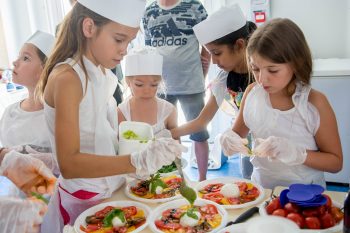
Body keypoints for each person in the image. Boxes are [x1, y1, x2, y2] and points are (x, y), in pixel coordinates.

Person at [35, 1, 186, 232]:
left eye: (129, 41)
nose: (124, 49)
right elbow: (69, 164)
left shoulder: (103, 73)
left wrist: (147, 150)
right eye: (119, 39)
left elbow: (103, 138)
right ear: (89, 28)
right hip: (84, 197)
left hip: (112, 188)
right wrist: (137, 161)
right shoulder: (68, 78)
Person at [220, 18, 343, 189]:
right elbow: (237, 135)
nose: (262, 79)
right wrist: (227, 139)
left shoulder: (314, 103)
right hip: (261, 190)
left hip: (305, 195)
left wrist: (297, 154)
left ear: (296, 63)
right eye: (255, 69)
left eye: (273, 70)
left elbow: (336, 163)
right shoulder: (252, 93)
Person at [171, 4, 256, 178]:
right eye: (211, 54)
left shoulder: (263, 74)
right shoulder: (224, 79)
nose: (214, 61)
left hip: (272, 143)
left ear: (239, 45)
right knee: (250, 179)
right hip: (243, 142)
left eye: (217, 53)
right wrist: (165, 134)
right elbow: (201, 121)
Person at [143, 0, 211, 181]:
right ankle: (178, 177)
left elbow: (208, 42)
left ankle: (202, 179)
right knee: (168, 135)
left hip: (191, 83)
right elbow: (147, 50)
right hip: (161, 86)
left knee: (199, 134)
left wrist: (204, 68)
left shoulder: (194, 6)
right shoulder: (149, 11)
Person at [118, 46, 177, 138]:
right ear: (128, 82)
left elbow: (176, 144)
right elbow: (119, 145)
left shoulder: (168, 110)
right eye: (139, 85)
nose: (147, 91)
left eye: (153, 85)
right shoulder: (122, 111)